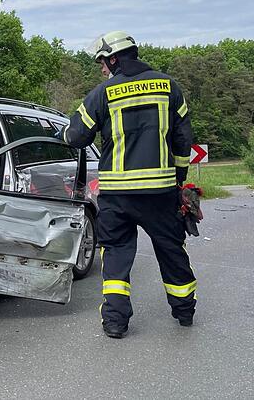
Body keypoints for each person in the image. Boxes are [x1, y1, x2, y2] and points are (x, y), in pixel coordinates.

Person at [60, 31, 196, 339]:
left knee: (117, 254)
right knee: (171, 249)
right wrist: (179, 179)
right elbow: (183, 138)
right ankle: (184, 311)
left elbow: (76, 136)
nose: (102, 70)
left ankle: (115, 322)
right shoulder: (169, 87)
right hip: (160, 193)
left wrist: (62, 134)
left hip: (117, 196)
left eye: (102, 63)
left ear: (113, 58)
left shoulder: (104, 92)